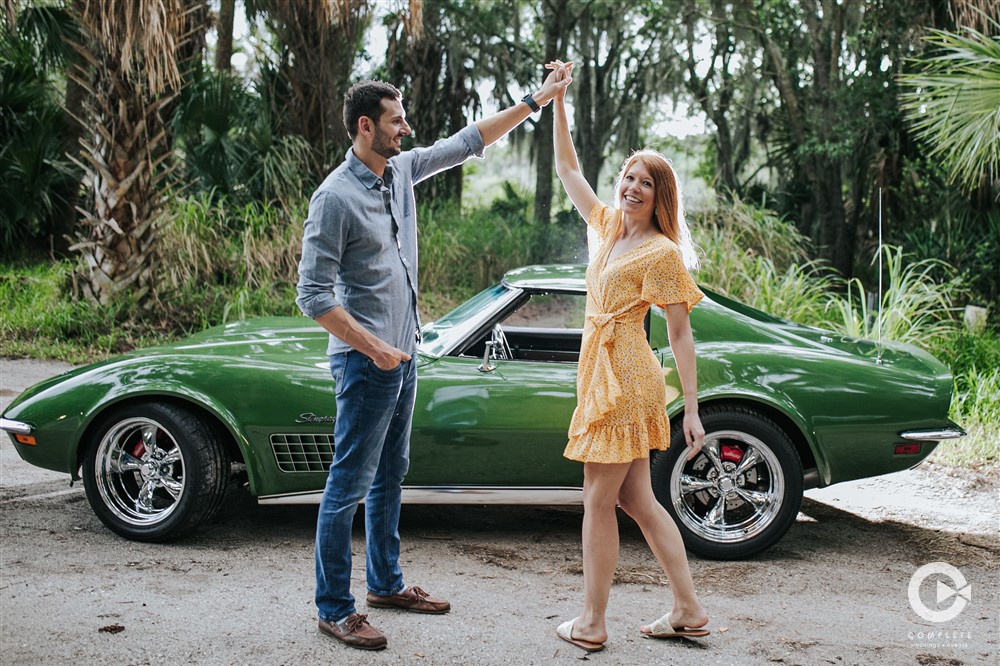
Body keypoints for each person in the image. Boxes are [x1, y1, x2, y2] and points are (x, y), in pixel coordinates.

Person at [295, 71, 571, 651]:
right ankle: (335, 609)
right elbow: (314, 296)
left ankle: (387, 585)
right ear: (366, 126)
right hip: (366, 366)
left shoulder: (399, 172)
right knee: (346, 486)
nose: (407, 128)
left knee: (392, 476)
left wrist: (535, 100)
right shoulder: (334, 198)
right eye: (397, 120)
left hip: (405, 358)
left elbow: (469, 141)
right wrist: (376, 349)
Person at [546, 60, 710, 653]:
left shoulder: (664, 253)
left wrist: (690, 409)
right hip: (603, 371)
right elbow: (567, 167)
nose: (632, 186)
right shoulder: (610, 227)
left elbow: (681, 335)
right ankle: (688, 608)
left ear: (661, 194)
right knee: (637, 499)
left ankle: (591, 622)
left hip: (629, 376)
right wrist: (559, 102)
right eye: (628, 177)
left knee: (597, 499)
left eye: (645, 181)